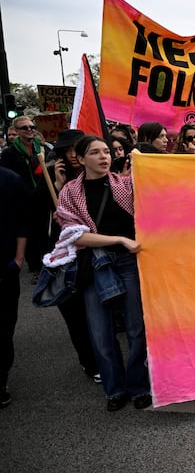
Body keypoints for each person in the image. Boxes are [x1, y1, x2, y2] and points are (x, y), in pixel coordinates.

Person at [56, 136, 151, 411]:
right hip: (95, 266)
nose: (103, 157)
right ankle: (114, 389)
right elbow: (75, 237)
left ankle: (139, 385)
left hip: (128, 263)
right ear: (81, 158)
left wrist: (147, 165)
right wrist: (119, 240)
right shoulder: (70, 193)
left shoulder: (126, 185)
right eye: (95, 152)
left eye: (107, 152)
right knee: (100, 331)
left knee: (136, 328)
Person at [46, 130, 101, 383]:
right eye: (68, 151)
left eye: (76, 150)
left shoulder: (96, 177)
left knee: (99, 312)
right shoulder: (49, 177)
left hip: (94, 254)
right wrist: (56, 188)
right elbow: (33, 219)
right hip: (66, 259)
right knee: (75, 313)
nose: (72, 156)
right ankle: (89, 361)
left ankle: (105, 357)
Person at [0, 116, 50, 283]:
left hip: (43, 197)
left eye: (31, 126)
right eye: (24, 128)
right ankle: (36, 268)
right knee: (29, 234)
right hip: (23, 199)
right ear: (17, 132)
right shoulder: (9, 153)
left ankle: (49, 264)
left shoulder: (43, 149)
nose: (29, 129)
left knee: (45, 232)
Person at [0, 166, 27, 408]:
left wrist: (18, 260)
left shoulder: (10, 179)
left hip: (5, 268)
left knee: (4, 325)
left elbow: (22, 222)